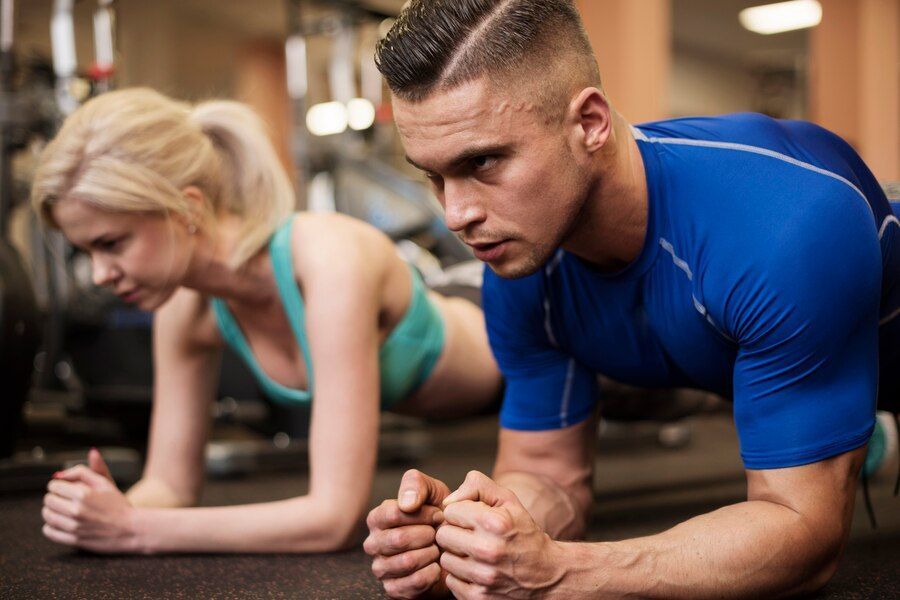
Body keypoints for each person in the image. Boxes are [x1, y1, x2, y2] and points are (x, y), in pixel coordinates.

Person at [362, 1, 900, 598]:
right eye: (433, 176)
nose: (456, 214)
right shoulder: (520, 264)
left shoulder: (785, 222)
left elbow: (805, 534)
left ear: (589, 121)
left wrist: (562, 573)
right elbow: (547, 474)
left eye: (483, 161)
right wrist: (469, 537)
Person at [32, 88, 502, 554]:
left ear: (188, 207)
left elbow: (333, 518)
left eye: (111, 243)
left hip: (495, 316)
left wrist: (133, 529)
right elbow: (169, 488)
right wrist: (106, 511)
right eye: (86, 251)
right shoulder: (184, 308)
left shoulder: (328, 259)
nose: (99, 274)